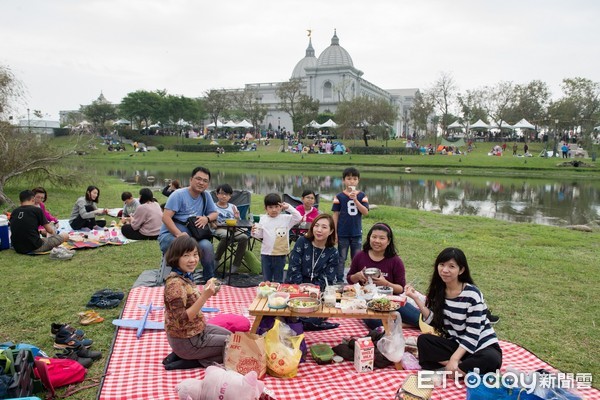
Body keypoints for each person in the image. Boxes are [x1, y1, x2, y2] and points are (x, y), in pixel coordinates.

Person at [405, 247, 502, 376]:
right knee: (423, 341)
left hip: (481, 345)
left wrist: (454, 359)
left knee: (491, 359)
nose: (445, 270)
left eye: (451, 266)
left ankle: (454, 368)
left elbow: (473, 334)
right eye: (442, 265)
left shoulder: (472, 294)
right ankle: (461, 370)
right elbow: (435, 321)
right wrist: (416, 298)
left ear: (461, 270)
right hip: (457, 343)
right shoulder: (439, 291)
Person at [162, 236, 230, 369]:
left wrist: (207, 290)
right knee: (232, 346)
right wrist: (205, 296)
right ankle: (191, 360)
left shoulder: (183, 275)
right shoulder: (175, 285)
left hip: (197, 331)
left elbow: (191, 301)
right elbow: (181, 320)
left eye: (195, 254)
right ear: (176, 257)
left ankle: (181, 355)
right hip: (187, 341)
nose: (192, 260)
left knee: (232, 337)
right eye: (186, 255)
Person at [346, 222, 420, 328]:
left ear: (388, 241)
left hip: (391, 301)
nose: (377, 241)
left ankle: (395, 321)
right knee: (373, 322)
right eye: (374, 237)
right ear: (369, 238)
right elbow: (349, 279)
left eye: (382, 238)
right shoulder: (360, 256)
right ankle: (399, 323)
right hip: (368, 301)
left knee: (420, 320)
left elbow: (400, 289)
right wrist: (357, 276)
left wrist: (386, 283)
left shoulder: (395, 261)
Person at [158, 167, 218, 283]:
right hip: (171, 236)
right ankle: (180, 280)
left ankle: (210, 279)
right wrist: (179, 234)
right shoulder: (178, 195)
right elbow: (165, 217)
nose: (201, 183)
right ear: (191, 179)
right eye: (198, 179)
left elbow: (215, 213)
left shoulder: (206, 196)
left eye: (205, 181)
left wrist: (206, 218)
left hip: (194, 237)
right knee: (183, 247)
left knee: (207, 246)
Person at [251, 193, 302, 283]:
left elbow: (298, 217)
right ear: (265, 208)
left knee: (278, 279)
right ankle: (267, 294)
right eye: (270, 207)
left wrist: (288, 207)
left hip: (280, 254)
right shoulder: (263, 219)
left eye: (276, 206)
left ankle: (278, 295)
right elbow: (260, 235)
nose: (274, 210)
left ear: (281, 207)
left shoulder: (286, 219)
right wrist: (254, 232)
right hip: (266, 254)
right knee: (267, 280)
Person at [332, 167, 369, 283]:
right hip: (343, 232)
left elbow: (365, 212)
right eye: (348, 179)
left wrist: (356, 200)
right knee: (341, 258)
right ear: (343, 180)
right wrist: (334, 232)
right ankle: (339, 280)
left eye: (354, 179)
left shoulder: (362, 195)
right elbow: (335, 215)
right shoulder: (339, 196)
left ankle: (356, 280)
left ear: (358, 181)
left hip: (356, 232)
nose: (351, 181)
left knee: (357, 258)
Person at [286, 214, 338, 290]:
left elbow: (328, 278)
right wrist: (302, 288)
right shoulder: (302, 242)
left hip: (318, 292)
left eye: (324, 227)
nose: (319, 230)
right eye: (316, 226)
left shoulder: (333, 252)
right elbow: (294, 267)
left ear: (331, 231)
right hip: (295, 288)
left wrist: (312, 290)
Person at [9, 190, 69, 254]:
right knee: (65, 235)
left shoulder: (14, 212)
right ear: (33, 199)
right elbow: (50, 231)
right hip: (34, 246)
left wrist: (40, 231)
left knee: (42, 238)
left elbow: (21, 228)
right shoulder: (37, 210)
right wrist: (55, 235)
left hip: (17, 247)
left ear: (20, 200)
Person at [212, 184, 248, 274]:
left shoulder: (233, 207)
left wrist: (236, 217)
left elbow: (238, 222)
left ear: (230, 196)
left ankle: (236, 265)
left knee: (244, 237)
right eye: (221, 193)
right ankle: (216, 259)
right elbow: (211, 222)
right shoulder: (212, 206)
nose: (224, 196)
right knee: (226, 235)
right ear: (217, 194)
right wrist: (213, 223)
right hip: (219, 228)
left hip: (233, 229)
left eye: (227, 194)